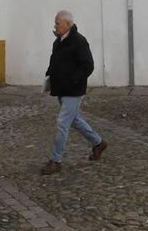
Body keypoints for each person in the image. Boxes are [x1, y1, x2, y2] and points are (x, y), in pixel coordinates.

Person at [41, 9, 107, 175]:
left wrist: (73, 80)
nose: (55, 26)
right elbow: (54, 61)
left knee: (62, 123)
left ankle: (55, 161)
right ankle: (98, 143)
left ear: (67, 24)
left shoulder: (79, 41)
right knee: (74, 120)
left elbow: (88, 65)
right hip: (61, 89)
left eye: (58, 23)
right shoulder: (58, 42)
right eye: (55, 23)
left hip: (73, 90)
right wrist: (49, 77)